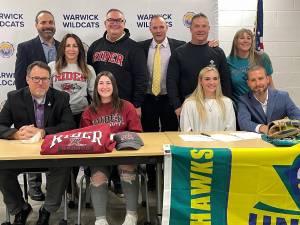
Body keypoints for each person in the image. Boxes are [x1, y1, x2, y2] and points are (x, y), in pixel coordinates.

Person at [0, 61, 76, 225]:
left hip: (50, 154)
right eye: (36, 78)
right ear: (27, 79)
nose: (40, 83)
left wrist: (43, 132)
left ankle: (47, 210)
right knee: (2, 168)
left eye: (44, 79)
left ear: (50, 80)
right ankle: (20, 209)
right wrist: (15, 134)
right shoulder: (14, 97)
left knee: (64, 165)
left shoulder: (61, 97)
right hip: (23, 156)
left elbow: (69, 126)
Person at [87, 8, 147, 195]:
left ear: (124, 23)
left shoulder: (134, 48)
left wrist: (136, 104)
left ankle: (120, 181)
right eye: (111, 20)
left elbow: (141, 78)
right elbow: (89, 76)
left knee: (122, 145)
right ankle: (101, 182)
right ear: (105, 23)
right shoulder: (95, 46)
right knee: (102, 144)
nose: (115, 23)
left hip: (125, 108)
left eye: (119, 20)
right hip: (99, 107)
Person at [80, 71, 142, 225]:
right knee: (98, 175)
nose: (105, 86)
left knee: (127, 168)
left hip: (123, 153)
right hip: (100, 155)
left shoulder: (126, 106)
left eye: (108, 83)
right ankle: (100, 219)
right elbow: (87, 139)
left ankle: (131, 215)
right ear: (96, 87)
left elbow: (136, 133)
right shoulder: (89, 111)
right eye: (101, 83)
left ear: (114, 86)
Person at [14, 10, 59, 201]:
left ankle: (53, 184)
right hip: (32, 101)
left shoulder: (62, 46)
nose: (47, 26)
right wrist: (27, 102)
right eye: (43, 23)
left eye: (50, 22)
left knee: (51, 140)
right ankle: (34, 186)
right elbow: (19, 78)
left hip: (56, 102)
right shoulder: (25, 47)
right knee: (32, 141)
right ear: (36, 25)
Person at [138, 15, 185, 189]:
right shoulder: (141, 47)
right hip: (148, 98)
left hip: (169, 99)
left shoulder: (179, 46)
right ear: (150, 29)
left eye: (161, 27)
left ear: (167, 28)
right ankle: (151, 178)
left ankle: (169, 177)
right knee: (149, 138)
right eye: (154, 28)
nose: (158, 31)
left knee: (170, 137)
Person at [49, 33, 96, 197]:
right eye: (68, 45)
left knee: (77, 152)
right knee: (62, 153)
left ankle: (75, 185)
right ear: (62, 48)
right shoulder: (52, 67)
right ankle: (66, 187)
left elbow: (94, 94)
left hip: (80, 116)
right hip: (59, 117)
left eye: (75, 45)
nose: (71, 49)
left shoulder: (88, 69)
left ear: (80, 49)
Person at [167, 13, 232, 119]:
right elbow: (171, 81)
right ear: (190, 29)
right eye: (196, 26)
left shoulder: (218, 52)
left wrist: (226, 105)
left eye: (204, 26)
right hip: (187, 108)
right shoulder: (179, 53)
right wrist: (177, 106)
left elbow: (225, 81)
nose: (200, 30)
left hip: (215, 108)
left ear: (209, 28)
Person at [237, 65, 300, 134]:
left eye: (260, 78)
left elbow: (297, 117)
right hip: (256, 142)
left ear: (267, 79)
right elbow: (244, 123)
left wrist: (284, 128)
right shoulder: (243, 100)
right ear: (248, 83)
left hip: (280, 140)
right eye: (253, 80)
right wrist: (262, 128)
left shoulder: (283, 97)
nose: (257, 84)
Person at [180, 66, 236, 132]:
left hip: (220, 142)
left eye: (215, 79)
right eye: (207, 79)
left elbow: (230, 129)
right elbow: (186, 130)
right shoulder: (189, 103)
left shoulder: (227, 102)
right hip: (196, 142)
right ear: (200, 81)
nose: (212, 82)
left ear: (219, 81)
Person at [227, 28, 274, 103]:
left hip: (262, 103)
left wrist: (273, 103)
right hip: (241, 106)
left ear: (252, 41)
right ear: (236, 41)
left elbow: (270, 83)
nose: (245, 41)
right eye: (242, 38)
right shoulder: (228, 62)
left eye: (249, 38)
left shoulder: (262, 57)